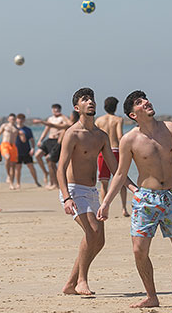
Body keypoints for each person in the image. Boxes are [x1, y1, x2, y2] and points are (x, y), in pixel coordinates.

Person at [98, 90, 172, 308]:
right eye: (139, 102)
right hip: (146, 198)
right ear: (132, 114)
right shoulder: (129, 140)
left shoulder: (170, 128)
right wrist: (106, 202)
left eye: (145, 99)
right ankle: (151, 295)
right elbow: (120, 174)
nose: (146, 102)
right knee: (139, 250)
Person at [57, 88, 136, 296]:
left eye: (91, 98)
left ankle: (70, 284)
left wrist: (133, 188)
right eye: (85, 99)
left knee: (99, 240)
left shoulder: (101, 136)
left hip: (92, 192)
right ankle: (82, 281)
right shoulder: (72, 134)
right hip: (74, 191)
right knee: (92, 233)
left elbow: (115, 168)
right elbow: (60, 169)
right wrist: (66, 197)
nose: (90, 101)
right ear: (77, 107)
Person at [95, 96, 129, 217]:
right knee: (122, 180)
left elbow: (96, 137)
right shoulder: (118, 119)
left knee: (104, 183)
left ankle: (104, 207)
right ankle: (124, 208)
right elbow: (120, 136)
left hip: (103, 152)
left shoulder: (99, 120)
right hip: (115, 150)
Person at [35, 104, 69, 189]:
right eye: (54, 109)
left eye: (57, 109)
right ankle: (45, 172)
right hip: (49, 140)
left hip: (56, 141)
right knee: (37, 155)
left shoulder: (62, 118)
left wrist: (63, 116)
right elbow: (46, 130)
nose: (55, 111)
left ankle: (54, 182)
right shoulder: (50, 119)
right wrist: (40, 140)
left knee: (50, 161)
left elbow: (68, 125)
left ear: (60, 110)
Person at [14, 113, 40, 188]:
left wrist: (32, 148)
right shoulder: (14, 128)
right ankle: (18, 183)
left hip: (26, 150)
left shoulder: (27, 130)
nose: (20, 120)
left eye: (22, 119)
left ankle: (36, 181)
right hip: (17, 151)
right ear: (16, 119)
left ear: (24, 120)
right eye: (19, 118)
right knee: (18, 167)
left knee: (31, 166)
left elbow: (32, 140)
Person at [0, 114, 20, 189]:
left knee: (13, 166)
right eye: (11, 119)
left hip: (13, 146)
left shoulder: (16, 128)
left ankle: (11, 184)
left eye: (13, 119)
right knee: (7, 157)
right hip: (5, 144)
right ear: (8, 119)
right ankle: (8, 175)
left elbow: (21, 138)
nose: (12, 120)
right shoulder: (5, 126)